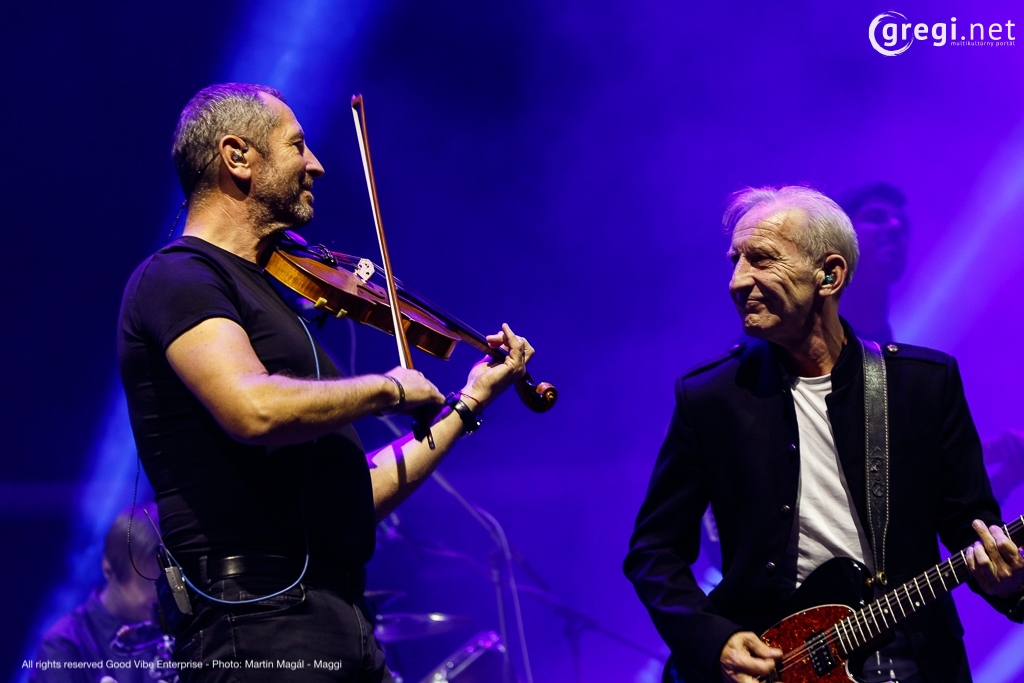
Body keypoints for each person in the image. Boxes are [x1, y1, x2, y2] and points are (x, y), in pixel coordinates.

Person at [117, 83, 534, 682]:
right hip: (255, 625)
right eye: (297, 145)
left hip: (338, 618)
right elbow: (252, 408)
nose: (316, 164)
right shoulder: (181, 277)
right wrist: (387, 389)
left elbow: (354, 496)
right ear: (237, 156)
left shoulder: (275, 300)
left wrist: (468, 403)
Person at [624, 186, 1024, 683]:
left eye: (761, 259)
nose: (737, 281)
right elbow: (654, 553)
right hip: (778, 664)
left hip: (914, 661)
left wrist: (1010, 584)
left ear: (829, 275)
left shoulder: (923, 384)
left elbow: (975, 531)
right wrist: (715, 641)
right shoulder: (712, 398)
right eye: (735, 261)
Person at [30, 505, 164, 683]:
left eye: (169, 582)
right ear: (109, 569)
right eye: (148, 581)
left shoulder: (180, 629)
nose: (163, 595)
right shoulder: (64, 645)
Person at [837, 182, 910, 344]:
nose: (896, 226)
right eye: (876, 218)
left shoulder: (904, 359)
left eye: (903, 224)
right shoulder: (793, 347)